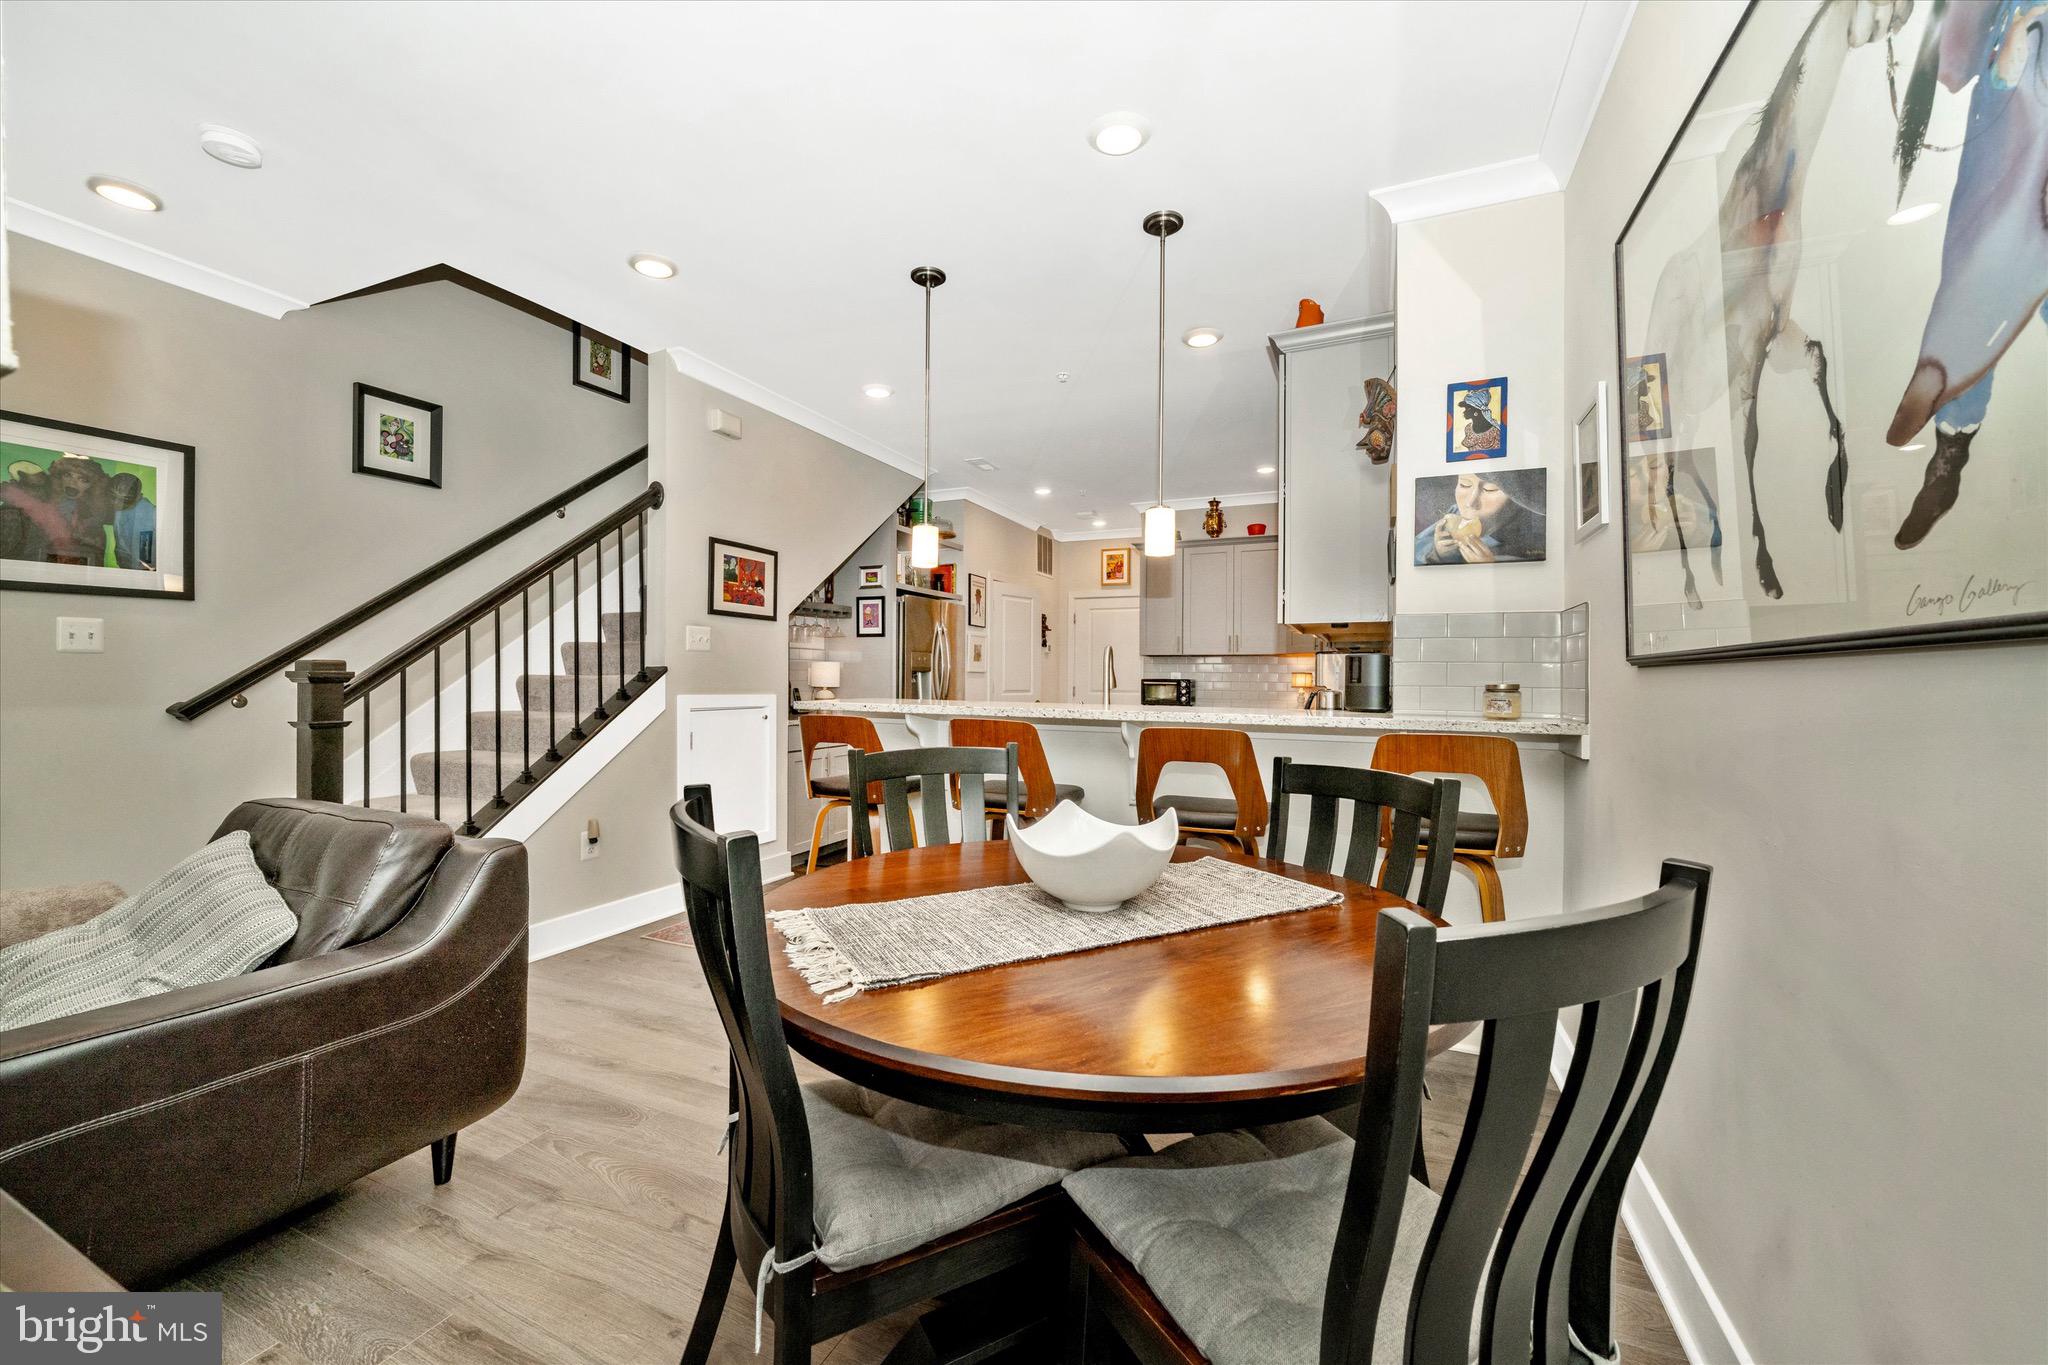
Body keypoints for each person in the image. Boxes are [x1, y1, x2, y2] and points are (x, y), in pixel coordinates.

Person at [1417, 471, 1545, 564]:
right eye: (1464, 485)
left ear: (1518, 500)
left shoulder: (1538, 534)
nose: (1470, 503)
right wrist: (1439, 554)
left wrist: (1491, 569)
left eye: (1490, 489)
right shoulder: (1454, 515)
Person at [109, 472, 158, 570]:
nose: (116, 503)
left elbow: (146, 558)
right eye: (113, 496)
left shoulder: (146, 514)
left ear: (139, 497)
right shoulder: (121, 509)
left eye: (125, 499)